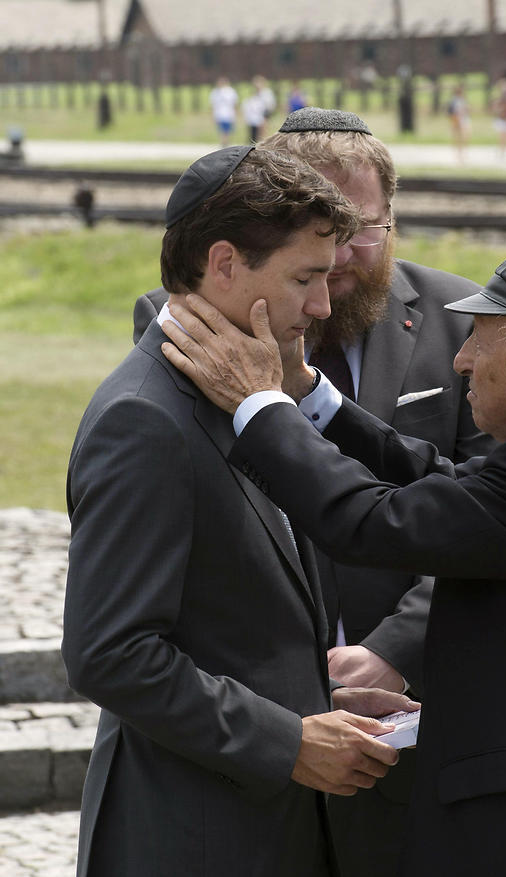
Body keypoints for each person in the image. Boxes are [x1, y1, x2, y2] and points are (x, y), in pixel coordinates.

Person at [161, 246, 506, 876]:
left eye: (481, 342)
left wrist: (260, 404)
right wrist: (315, 399)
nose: (461, 361)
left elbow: (370, 522)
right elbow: (452, 485)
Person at [132, 107, 492, 877]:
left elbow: (489, 509)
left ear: (393, 221)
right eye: (310, 248)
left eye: (360, 228)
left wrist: (397, 648)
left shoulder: (467, 325)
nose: (337, 264)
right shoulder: (189, 334)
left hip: (414, 732)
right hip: (253, 753)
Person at [63, 146, 417, 876]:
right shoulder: (146, 419)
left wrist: (316, 694)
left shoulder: (248, 388)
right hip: (190, 840)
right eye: (304, 279)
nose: (322, 306)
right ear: (224, 264)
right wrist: (289, 739)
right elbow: (111, 653)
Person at [209, 76, 238, 146]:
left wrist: (235, 113)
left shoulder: (231, 91)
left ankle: (226, 142)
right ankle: (223, 142)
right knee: (221, 130)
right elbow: (213, 105)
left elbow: (234, 103)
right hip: (219, 114)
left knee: (227, 130)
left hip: (228, 114)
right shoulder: (215, 92)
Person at [447, 82, 471, 163]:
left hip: (463, 120)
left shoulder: (463, 100)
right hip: (457, 120)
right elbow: (451, 112)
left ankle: (462, 153)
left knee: (463, 137)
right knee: (459, 137)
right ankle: (458, 153)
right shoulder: (454, 100)